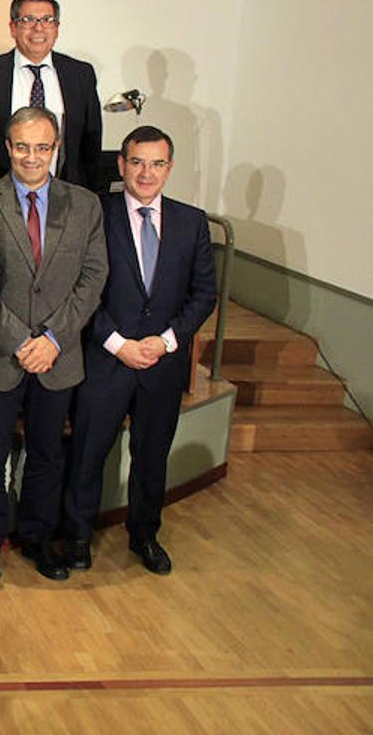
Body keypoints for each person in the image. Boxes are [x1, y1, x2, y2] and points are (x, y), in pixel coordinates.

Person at [64, 127, 217, 575]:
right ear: (121, 164)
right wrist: (118, 343)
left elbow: (203, 294)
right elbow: (83, 288)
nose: (146, 173)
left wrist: (166, 342)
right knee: (88, 454)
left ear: (170, 168)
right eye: (137, 162)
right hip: (107, 358)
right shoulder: (97, 214)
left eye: (156, 163)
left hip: (160, 365)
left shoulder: (192, 222)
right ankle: (77, 537)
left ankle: (145, 535)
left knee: (152, 457)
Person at [0, 107, 107, 586]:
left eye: (42, 147)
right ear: (8, 148)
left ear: (56, 149)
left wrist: (51, 338)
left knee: (48, 456)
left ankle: (37, 537)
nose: (32, 156)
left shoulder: (86, 205)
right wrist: (17, 338)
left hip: (59, 355)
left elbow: (93, 279)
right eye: (22, 146)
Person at [0, 0, 102, 187]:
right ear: (13, 28)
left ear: (57, 28)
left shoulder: (80, 75)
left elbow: (91, 143)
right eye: (28, 20)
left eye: (47, 20)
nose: (38, 28)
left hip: (64, 195)